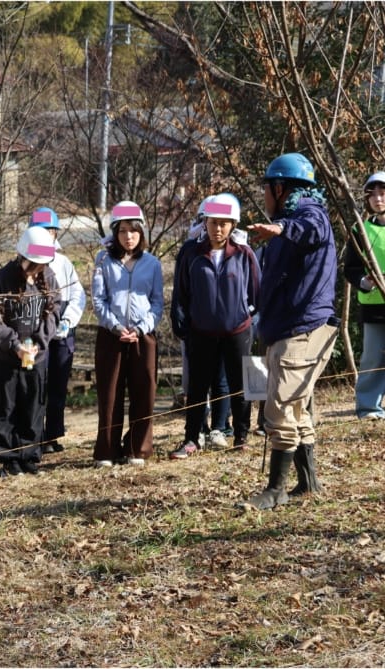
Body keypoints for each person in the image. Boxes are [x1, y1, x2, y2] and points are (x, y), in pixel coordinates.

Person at [243, 152, 338, 510]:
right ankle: (308, 482)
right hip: (287, 327)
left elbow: (311, 228)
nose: (264, 195)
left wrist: (282, 229)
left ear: (280, 188)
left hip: (304, 327)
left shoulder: (308, 213)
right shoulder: (287, 222)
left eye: (267, 188)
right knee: (296, 408)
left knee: (280, 406)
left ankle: (276, 490)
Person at [169, 194, 260, 459]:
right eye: (212, 222)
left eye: (224, 223)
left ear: (233, 225)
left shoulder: (244, 253)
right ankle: (191, 438)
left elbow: (256, 291)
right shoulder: (190, 252)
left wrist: (247, 317)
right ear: (204, 222)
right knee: (197, 386)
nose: (218, 228)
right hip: (201, 331)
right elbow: (181, 292)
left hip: (237, 330)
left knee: (239, 384)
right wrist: (182, 323)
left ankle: (241, 436)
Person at [90, 201, 164, 467]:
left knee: (144, 391)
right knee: (110, 394)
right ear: (115, 233)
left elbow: (157, 303)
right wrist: (115, 325)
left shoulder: (152, 264)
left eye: (134, 230)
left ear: (141, 232)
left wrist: (142, 327)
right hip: (111, 335)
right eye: (123, 231)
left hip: (143, 336)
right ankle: (107, 450)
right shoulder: (103, 260)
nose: (129, 236)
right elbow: (98, 300)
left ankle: (138, 448)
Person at [0, 225, 61, 476]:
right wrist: (15, 345)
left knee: (33, 406)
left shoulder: (48, 277)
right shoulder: (1, 279)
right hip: (7, 356)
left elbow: (53, 311)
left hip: (36, 354)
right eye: (34, 262)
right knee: (5, 406)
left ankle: (29, 454)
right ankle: (8, 457)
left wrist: (39, 342)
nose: (38, 267)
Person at [27, 207, 86, 455]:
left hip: (62, 334)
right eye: (41, 231)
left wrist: (68, 321)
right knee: (35, 385)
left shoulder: (63, 263)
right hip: (36, 335)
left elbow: (78, 296)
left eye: (50, 231)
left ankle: (53, 435)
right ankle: (33, 436)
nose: (46, 235)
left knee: (57, 386)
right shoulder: (26, 264)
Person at [344, 171, 385, 421]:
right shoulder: (360, 229)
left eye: (383, 193)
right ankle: (369, 408)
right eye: (374, 195)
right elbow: (350, 268)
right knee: (372, 359)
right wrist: (364, 282)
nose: (379, 199)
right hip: (373, 306)